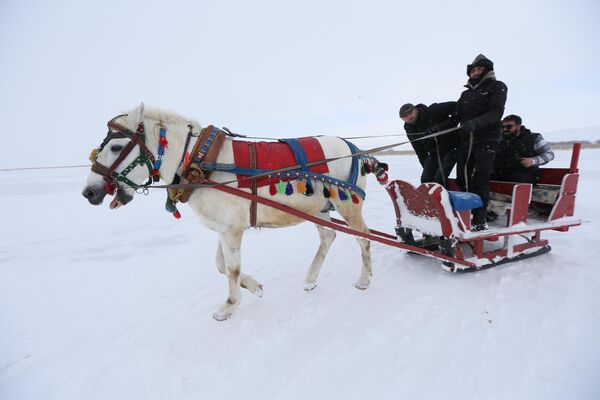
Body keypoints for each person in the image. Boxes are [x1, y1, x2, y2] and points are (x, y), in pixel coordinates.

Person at [441, 54, 508, 231]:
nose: (475, 72)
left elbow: (496, 112)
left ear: (487, 70)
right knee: (462, 178)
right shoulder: (466, 94)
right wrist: (437, 130)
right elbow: (455, 118)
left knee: (480, 179)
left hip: (487, 139)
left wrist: (476, 122)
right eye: (472, 70)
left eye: (479, 69)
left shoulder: (497, 86)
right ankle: (465, 214)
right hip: (466, 141)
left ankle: (480, 219)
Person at [399, 102, 458, 186]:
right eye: (405, 116)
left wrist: (439, 128)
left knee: (439, 178)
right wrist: (428, 170)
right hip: (434, 153)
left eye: (410, 113)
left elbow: (459, 107)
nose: (409, 117)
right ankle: (433, 197)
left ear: (416, 110)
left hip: (453, 146)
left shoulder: (433, 110)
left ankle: (445, 197)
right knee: (426, 179)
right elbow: (420, 153)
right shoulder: (410, 131)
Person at [491, 115, 554, 184]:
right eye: (503, 127)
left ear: (518, 126)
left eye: (509, 126)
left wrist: (533, 161)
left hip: (523, 178)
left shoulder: (533, 138)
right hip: (500, 177)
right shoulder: (498, 139)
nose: (505, 129)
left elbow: (549, 154)